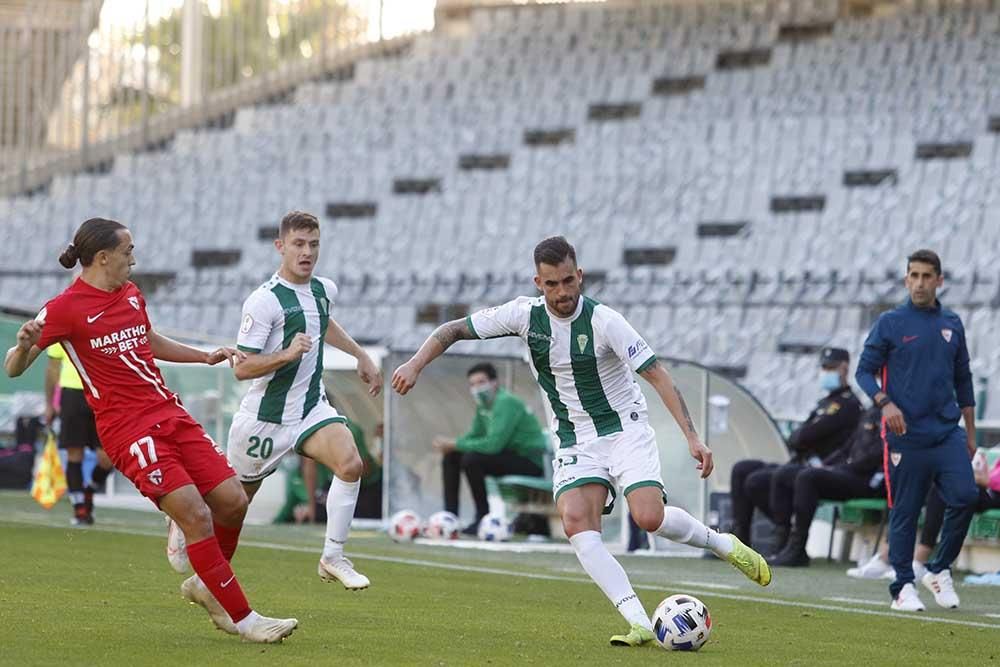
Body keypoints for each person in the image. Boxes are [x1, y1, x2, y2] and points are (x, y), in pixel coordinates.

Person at [391, 235, 770, 647]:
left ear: (580, 276)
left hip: (624, 428)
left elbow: (657, 373)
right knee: (575, 521)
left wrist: (693, 437)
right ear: (539, 282)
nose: (562, 292)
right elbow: (452, 330)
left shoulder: (606, 321)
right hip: (574, 438)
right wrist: (414, 363)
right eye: (552, 284)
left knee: (648, 517)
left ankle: (722, 543)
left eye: (569, 281)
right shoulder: (522, 316)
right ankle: (639, 621)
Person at [3, 217, 297, 643]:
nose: (134, 259)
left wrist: (203, 357)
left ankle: (204, 583)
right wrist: (25, 344)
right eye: (128, 252)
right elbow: (13, 368)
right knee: (197, 515)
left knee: (232, 502)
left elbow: (149, 340)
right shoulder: (65, 309)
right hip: (128, 430)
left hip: (169, 413)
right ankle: (245, 619)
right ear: (103, 258)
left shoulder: (131, 294)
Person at [166, 211, 381, 595]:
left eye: (314, 244)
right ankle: (190, 533)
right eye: (298, 244)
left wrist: (359, 355)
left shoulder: (323, 289)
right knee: (233, 506)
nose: (307, 252)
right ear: (280, 247)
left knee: (351, 465)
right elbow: (242, 369)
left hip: (311, 409)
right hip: (264, 420)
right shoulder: (263, 301)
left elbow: (323, 321)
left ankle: (333, 557)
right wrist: (285, 355)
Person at [855, 249, 979, 612]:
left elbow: (964, 379)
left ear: (939, 280)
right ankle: (902, 587)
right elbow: (864, 370)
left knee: (966, 496)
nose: (920, 283)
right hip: (905, 435)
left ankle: (939, 570)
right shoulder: (891, 323)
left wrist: (969, 433)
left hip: (946, 432)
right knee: (905, 511)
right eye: (914, 275)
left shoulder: (952, 323)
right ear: (906, 278)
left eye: (927, 276)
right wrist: (885, 403)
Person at [730, 347, 861, 553]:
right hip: (800, 464)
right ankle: (739, 539)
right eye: (824, 367)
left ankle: (784, 538)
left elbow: (805, 436)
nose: (826, 372)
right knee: (743, 469)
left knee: (759, 480)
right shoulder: (825, 403)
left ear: (844, 368)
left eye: (831, 368)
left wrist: (801, 438)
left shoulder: (848, 405)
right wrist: (801, 438)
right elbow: (797, 438)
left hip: (823, 469)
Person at [435, 362, 547, 535]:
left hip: (529, 461)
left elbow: (493, 445)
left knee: (472, 459)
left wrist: (455, 443)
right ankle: (450, 519)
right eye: (472, 384)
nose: (477, 388)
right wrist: (454, 445)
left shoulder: (506, 402)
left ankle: (482, 518)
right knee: (452, 457)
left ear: (495, 382)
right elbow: (473, 435)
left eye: (481, 382)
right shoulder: (483, 406)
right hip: (507, 456)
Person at [768, 407, 885, 567]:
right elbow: (846, 449)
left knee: (808, 477)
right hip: (848, 472)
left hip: (868, 481)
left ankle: (797, 548)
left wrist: (840, 468)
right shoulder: (871, 411)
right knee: (784, 474)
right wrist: (826, 466)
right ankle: (781, 545)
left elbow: (875, 457)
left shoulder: (897, 414)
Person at [45, 342, 116, 525]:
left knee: (109, 458)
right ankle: (80, 508)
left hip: (102, 393)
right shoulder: (61, 325)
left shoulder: (101, 324)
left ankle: (89, 490)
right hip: (72, 394)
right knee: (74, 453)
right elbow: (53, 368)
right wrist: (49, 404)